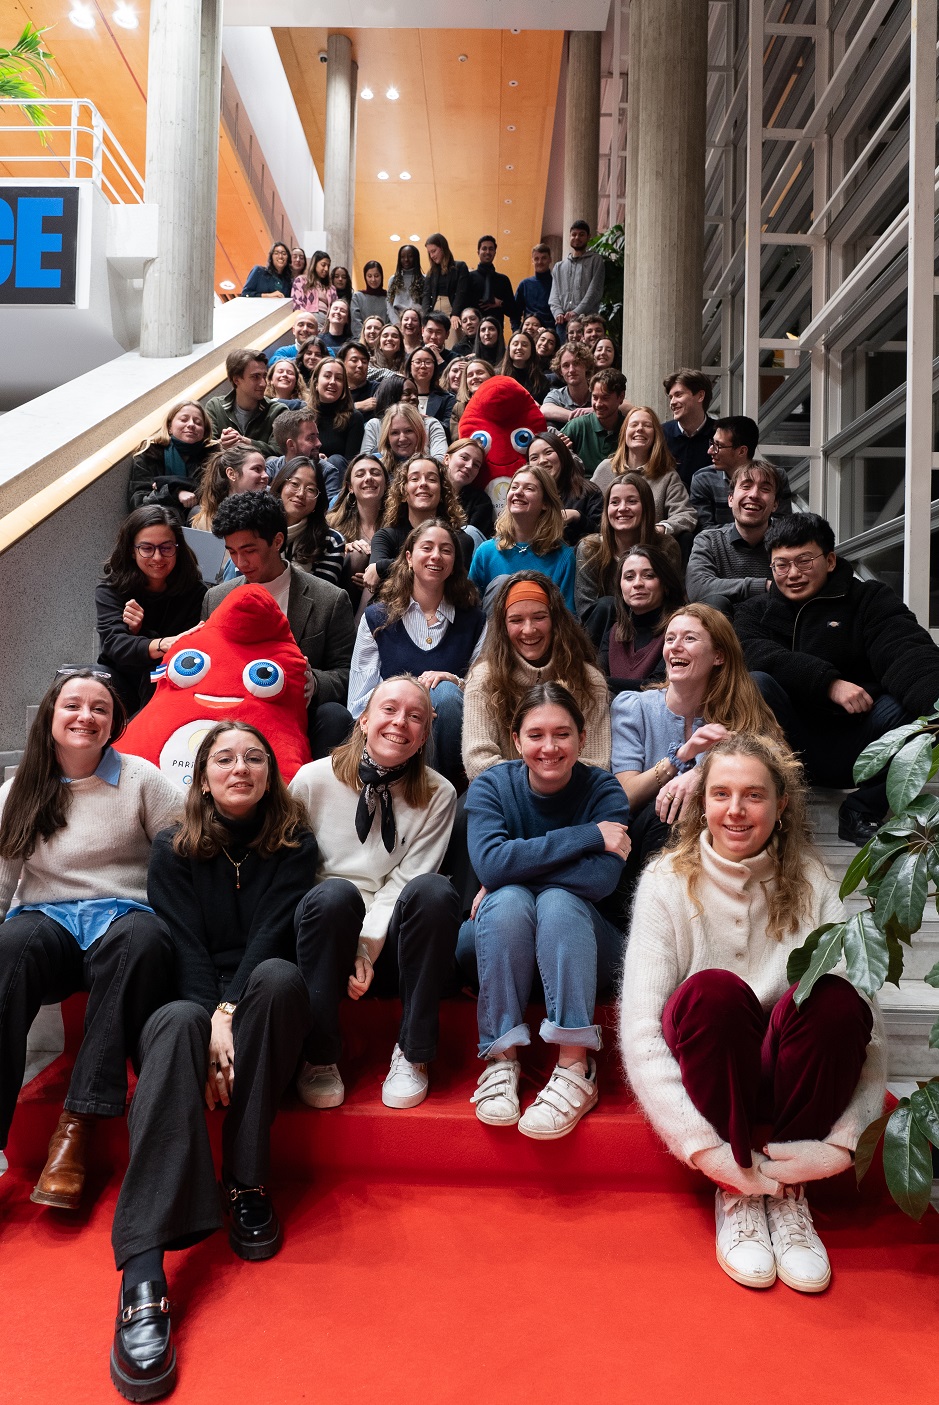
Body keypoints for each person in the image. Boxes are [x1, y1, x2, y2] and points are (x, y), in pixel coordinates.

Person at [620, 734, 886, 1293]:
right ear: (702, 803)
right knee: (711, 991)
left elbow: (871, 1029)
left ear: (781, 804)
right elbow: (641, 1033)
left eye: (753, 796)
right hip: (711, 1069)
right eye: (721, 794)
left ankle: (788, 1194)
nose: (735, 811)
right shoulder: (666, 881)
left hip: (794, 1075)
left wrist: (838, 1145)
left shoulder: (813, 881)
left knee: (837, 998)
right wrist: (707, 1150)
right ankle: (741, 1191)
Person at [109, 723, 315, 1399]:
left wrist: (227, 1014)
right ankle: (142, 1273)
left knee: (283, 976)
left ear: (269, 773)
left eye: (254, 757)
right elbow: (184, 943)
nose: (240, 767)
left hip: (252, 996)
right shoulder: (172, 845)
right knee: (175, 1021)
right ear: (201, 775)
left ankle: (246, 1183)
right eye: (224, 757)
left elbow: (269, 934)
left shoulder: (291, 841)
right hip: (186, 997)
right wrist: (207, 1024)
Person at [0, 669, 178, 1215]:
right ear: (50, 718)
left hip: (124, 915)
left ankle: (75, 1127)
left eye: (99, 708)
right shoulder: (17, 789)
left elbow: (181, 852)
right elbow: (6, 881)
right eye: (73, 705)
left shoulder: (142, 779)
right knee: (10, 948)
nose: (85, 716)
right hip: (46, 921)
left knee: (143, 938)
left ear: (114, 723)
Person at [460, 683, 630, 1136]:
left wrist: (506, 877)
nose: (549, 748)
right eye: (535, 735)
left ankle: (576, 1068)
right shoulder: (492, 785)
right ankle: (501, 1060)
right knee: (509, 902)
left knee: (553, 900)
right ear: (515, 740)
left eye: (562, 734)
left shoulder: (604, 790)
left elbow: (600, 881)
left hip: (583, 943)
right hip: (504, 934)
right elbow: (491, 865)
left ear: (581, 737)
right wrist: (589, 836)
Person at [291, 676, 459, 1111]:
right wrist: (347, 945)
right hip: (323, 933)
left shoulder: (439, 794)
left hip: (385, 941)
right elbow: (293, 873)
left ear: (424, 735)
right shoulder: (312, 779)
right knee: (334, 897)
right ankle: (319, 1055)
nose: (400, 722)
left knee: (435, 893)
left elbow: (408, 881)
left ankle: (413, 1053)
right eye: (389, 710)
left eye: (415, 716)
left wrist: (364, 946)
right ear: (364, 719)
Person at [736, 511, 939, 845]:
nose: (793, 574)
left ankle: (862, 810)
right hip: (792, 747)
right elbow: (754, 653)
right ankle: (774, 808)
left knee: (920, 712)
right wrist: (827, 683)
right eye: (782, 565)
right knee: (756, 683)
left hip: (864, 743)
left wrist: (936, 703)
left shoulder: (869, 599)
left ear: (830, 560)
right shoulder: (755, 611)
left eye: (804, 560)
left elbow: (905, 651)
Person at [611, 603, 780, 881]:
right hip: (642, 846)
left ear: (718, 656)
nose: (675, 646)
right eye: (669, 639)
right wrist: (680, 759)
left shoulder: (742, 708)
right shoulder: (634, 707)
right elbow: (625, 797)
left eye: (689, 638)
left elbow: (774, 760)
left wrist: (701, 774)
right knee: (671, 807)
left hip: (718, 841)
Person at [203, 492, 354, 758]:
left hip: (296, 717)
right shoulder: (216, 599)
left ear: (277, 541)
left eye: (249, 551)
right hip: (230, 716)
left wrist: (313, 682)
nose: (240, 564)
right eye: (232, 552)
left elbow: (346, 672)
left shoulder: (330, 599)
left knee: (335, 715)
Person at [349, 521, 486, 784]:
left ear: (454, 562)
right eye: (427, 547)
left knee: (445, 695)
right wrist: (412, 704)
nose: (436, 556)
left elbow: (485, 694)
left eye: (446, 550)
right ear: (409, 558)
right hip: (392, 737)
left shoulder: (475, 621)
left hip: (449, 740)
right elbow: (358, 704)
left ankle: (437, 795)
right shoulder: (377, 617)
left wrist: (455, 683)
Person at [463, 572, 611, 781]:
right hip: (503, 797)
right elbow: (478, 761)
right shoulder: (483, 678)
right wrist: (534, 786)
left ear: (556, 620)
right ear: (503, 627)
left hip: (575, 801)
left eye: (539, 617)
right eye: (516, 620)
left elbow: (596, 764)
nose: (529, 629)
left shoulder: (589, 680)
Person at [96, 507, 207, 714]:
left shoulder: (196, 592)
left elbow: (191, 650)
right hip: (123, 682)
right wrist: (164, 643)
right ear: (132, 550)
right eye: (147, 548)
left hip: (173, 682)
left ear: (178, 548)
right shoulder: (112, 590)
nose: (157, 557)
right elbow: (114, 645)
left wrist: (141, 634)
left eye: (166, 548)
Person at [574, 472, 682, 622]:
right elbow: (587, 610)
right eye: (615, 502)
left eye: (632, 501)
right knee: (605, 605)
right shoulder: (590, 549)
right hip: (603, 632)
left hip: (654, 629)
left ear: (646, 507)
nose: (622, 508)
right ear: (606, 509)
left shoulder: (666, 546)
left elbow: (673, 601)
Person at [468, 464, 577, 612]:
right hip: (493, 633)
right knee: (501, 583)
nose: (518, 492)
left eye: (529, 488)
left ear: (545, 503)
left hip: (541, 632)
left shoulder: (563, 557)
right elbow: (470, 609)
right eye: (514, 487)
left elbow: (568, 617)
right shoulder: (486, 552)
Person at [686, 461, 783, 615]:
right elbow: (698, 587)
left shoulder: (787, 542)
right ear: (730, 499)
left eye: (765, 489)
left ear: (775, 505)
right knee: (714, 602)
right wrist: (764, 586)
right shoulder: (709, 540)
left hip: (774, 626)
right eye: (746, 486)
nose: (754, 495)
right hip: (723, 632)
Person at [365, 454, 472, 587]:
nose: (423, 484)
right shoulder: (386, 537)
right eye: (414, 479)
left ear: (442, 493)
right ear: (403, 493)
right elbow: (372, 578)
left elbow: (452, 582)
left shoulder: (461, 540)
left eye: (432, 479)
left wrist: (383, 567)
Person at [594, 406, 697, 541]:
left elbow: (686, 514)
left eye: (647, 425)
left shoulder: (667, 476)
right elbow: (590, 511)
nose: (640, 429)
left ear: (656, 435)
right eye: (634, 425)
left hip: (650, 549)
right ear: (624, 432)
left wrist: (659, 529)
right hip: (610, 547)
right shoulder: (605, 469)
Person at [595, 545, 688, 694]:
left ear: (665, 584)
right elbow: (595, 678)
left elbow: (657, 686)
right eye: (629, 577)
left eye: (648, 575)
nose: (637, 583)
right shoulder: (614, 632)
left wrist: (599, 683)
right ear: (620, 588)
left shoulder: (680, 630)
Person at [691, 415, 792, 529]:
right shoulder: (703, 478)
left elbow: (784, 525)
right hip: (718, 545)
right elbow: (704, 529)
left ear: (742, 451)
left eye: (718, 445)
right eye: (712, 443)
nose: (710, 451)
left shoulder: (775, 476)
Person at [127, 400, 214, 516]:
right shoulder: (149, 454)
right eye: (184, 420)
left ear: (204, 432)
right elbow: (138, 502)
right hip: (161, 523)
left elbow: (216, 496)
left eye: (198, 422)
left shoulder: (213, 457)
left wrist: (165, 483)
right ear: (169, 427)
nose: (191, 424)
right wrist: (175, 493)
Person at [270, 457, 345, 586]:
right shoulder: (258, 530)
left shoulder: (331, 541)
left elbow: (322, 597)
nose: (300, 494)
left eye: (310, 489)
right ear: (280, 486)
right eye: (294, 484)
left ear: (318, 500)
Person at [327, 453, 389, 603]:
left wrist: (377, 578)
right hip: (343, 597)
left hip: (387, 598)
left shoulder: (398, 522)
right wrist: (343, 549)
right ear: (350, 487)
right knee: (356, 555)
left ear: (386, 483)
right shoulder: (333, 522)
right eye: (360, 474)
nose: (368, 478)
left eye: (375, 473)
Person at [205, 349, 286, 457]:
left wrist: (247, 442)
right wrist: (221, 444)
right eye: (255, 377)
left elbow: (281, 452)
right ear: (236, 380)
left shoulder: (278, 411)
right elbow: (205, 450)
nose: (263, 383)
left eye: (264, 376)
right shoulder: (215, 407)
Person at [528, 429, 602, 546]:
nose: (542, 461)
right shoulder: (526, 495)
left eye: (548, 452)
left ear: (562, 454)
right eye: (534, 458)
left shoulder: (589, 491)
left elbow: (603, 535)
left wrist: (577, 516)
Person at [306, 357, 366, 496]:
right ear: (315, 382)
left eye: (339, 379)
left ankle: (334, 511)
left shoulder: (354, 417)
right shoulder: (303, 416)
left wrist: (328, 464)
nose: (333, 382)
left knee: (336, 460)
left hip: (337, 479)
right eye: (327, 376)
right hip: (307, 474)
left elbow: (351, 461)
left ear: (344, 386)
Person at [189, 445, 269, 534]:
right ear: (231, 474)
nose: (266, 475)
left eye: (265, 470)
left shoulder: (271, 513)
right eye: (257, 469)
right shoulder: (204, 521)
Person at [563, 369, 630, 476]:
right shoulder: (578, 426)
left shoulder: (629, 428)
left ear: (620, 397)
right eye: (594, 397)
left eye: (605, 398)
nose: (598, 404)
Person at [662, 368, 717, 490]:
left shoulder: (720, 434)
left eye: (678, 395)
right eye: (671, 397)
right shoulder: (660, 434)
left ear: (700, 396)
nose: (672, 402)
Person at [549, 221, 605, 336]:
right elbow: (554, 295)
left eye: (581, 234)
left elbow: (594, 292)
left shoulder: (596, 260)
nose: (577, 237)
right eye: (574, 234)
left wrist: (576, 312)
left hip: (587, 322)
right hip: (563, 323)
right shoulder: (559, 267)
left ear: (588, 237)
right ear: (569, 237)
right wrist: (558, 312)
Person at [363, 397, 448, 472]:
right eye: (395, 433)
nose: (402, 438)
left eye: (408, 431)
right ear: (387, 437)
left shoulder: (432, 469)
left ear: (419, 433)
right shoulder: (375, 467)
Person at [422, 233, 469, 343]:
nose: (432, 256)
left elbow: (461, 292)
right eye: (429, 253)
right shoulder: (431, 272)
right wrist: (425, 317)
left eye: (434, 251)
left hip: (452, 311)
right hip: (435, 312)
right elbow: (426, 295)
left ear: (443, 248)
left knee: (452, 344)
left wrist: (455, 314)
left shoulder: (460, 266)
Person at [444, 437, 494, 540]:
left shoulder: (480, 502)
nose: (469, 466)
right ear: (447, 459)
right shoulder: (429, 491)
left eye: (476, 465)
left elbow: (472, 542)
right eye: (464, 458)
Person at [468, 235, 517, 331]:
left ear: (495, 252)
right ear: (478, 252)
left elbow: (513, 311)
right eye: (484, 248)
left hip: (496, 331)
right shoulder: (469, 278)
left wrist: (500, 303)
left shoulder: (503, 280)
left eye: (491, 249)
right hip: (474, 332)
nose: (487, 252)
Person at [541, 341, 595, 425]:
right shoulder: (557, 395)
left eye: (576, 363)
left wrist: (594, 410)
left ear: (586, 366)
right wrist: (581, 417)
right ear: (560, 371)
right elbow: (544, 410)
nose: (571, 370)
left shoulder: (598, 390)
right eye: (566, 365)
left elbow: (621, 405)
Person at [405, 345, 455, 433]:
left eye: (428, 362)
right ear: (410, 367)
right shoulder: (399, 395)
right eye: (418, 362)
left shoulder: (447, 399)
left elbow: (449, 429)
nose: (423, 366)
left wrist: (425, 420)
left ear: (435, 368)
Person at [265, 407, 321, 481]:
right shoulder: (271, 468)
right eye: (310, 438)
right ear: (291, 445)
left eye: (317, 436)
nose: (319, 443)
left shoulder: (327, 471)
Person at [514, 242, 556, 332]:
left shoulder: (557, 284)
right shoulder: (524, 284)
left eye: (544, 258)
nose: (540, 262)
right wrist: (516, 332)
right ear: (532, 261)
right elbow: (515, 313)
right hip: (529, 333)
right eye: (536, 259)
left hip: (551, 334)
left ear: (550, 259)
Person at [450, 357, 495, 439]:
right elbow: (457, 441)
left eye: (480, 373)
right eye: (470, 375)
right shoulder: (459, 408)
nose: (475, 377)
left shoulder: (503, 402)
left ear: (492, 377)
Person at [499, 330, 548, 403]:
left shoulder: (541, 380)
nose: (519, 347)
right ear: (509, 349)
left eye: (524, 345)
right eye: (515, 344)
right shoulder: (497, 375)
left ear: (532, 350)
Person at [349, 261, 393, 337]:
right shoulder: (357, 297)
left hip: (383, 342)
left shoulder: (388, 298)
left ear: (381, 276)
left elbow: (391, 322)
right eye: (369, 276)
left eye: (376, 276)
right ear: (365, 277)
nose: (373, 279)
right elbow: (356, 323)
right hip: (362, 341)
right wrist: (364, 340)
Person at [338, 341, 380, 418]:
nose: (360, 365)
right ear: (342, 363)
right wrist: (356, 406)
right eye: (354, 360)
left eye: (364, 362)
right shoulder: (336, 390)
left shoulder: (377, 389)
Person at [387, 243, 425, 320]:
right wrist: (396, 324)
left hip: (417, 322)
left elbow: (426, 305)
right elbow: (389, 305)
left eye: (410, 256)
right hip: (397, 323)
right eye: (402, 257)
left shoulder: (424, 279)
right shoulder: (393, 279)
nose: (406, 260)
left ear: (416, 258)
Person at [292, 249, 332, 317]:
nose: (326, 269)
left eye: (328, 266)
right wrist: (307, 319)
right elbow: (296, 304)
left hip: (327, 322)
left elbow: (335, 307)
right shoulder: (301, 280)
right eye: (323, 265)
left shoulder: (331, 287)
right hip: (307, 319)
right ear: (315, 264)